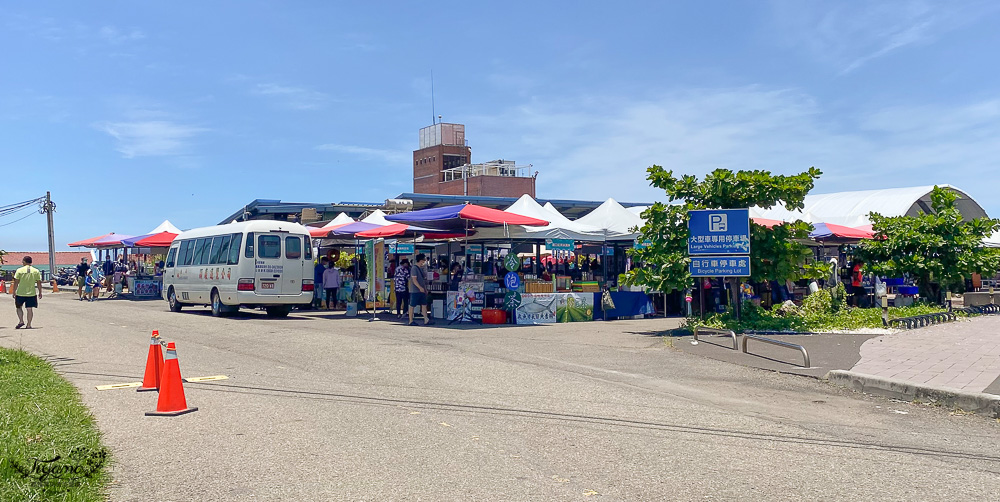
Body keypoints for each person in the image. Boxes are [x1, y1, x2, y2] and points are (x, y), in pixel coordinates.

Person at [12, 256, 43, 329]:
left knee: (18, 307)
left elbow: (16, 282)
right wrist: (40, 292)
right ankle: (29, 324)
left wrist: (14, 291)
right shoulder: (36, 271)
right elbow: (39, 282)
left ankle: (21, 321)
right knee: (29, 309)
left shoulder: (19, 270)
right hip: (31, 293)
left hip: (20, 292)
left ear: (24, 262)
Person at [408, 253, 432, 326]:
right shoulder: (414, 268)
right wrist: (420, 288)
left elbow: (422, 280)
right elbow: (414, 280)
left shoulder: (420, 269)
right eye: (423, 261)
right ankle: (410, 321)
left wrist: (424, 289)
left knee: (424, 304)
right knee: (412, 305)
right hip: (415, 290)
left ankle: (426, 319)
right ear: (420, 260)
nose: (424, 262)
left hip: (421, 290)